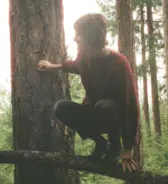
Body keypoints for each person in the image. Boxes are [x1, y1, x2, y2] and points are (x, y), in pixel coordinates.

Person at [37, 13, 139, 172]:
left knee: (104, 105)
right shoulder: (84, 56)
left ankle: (115, 146)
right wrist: (52, 67)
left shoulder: (118, 64)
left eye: (78, 35)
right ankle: (100, 143)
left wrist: (128, 147)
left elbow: (131, 107)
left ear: (90, 38)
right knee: (61, 108)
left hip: (115, 119)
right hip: (95, 115)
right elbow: (76, 66)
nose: (75, 39)